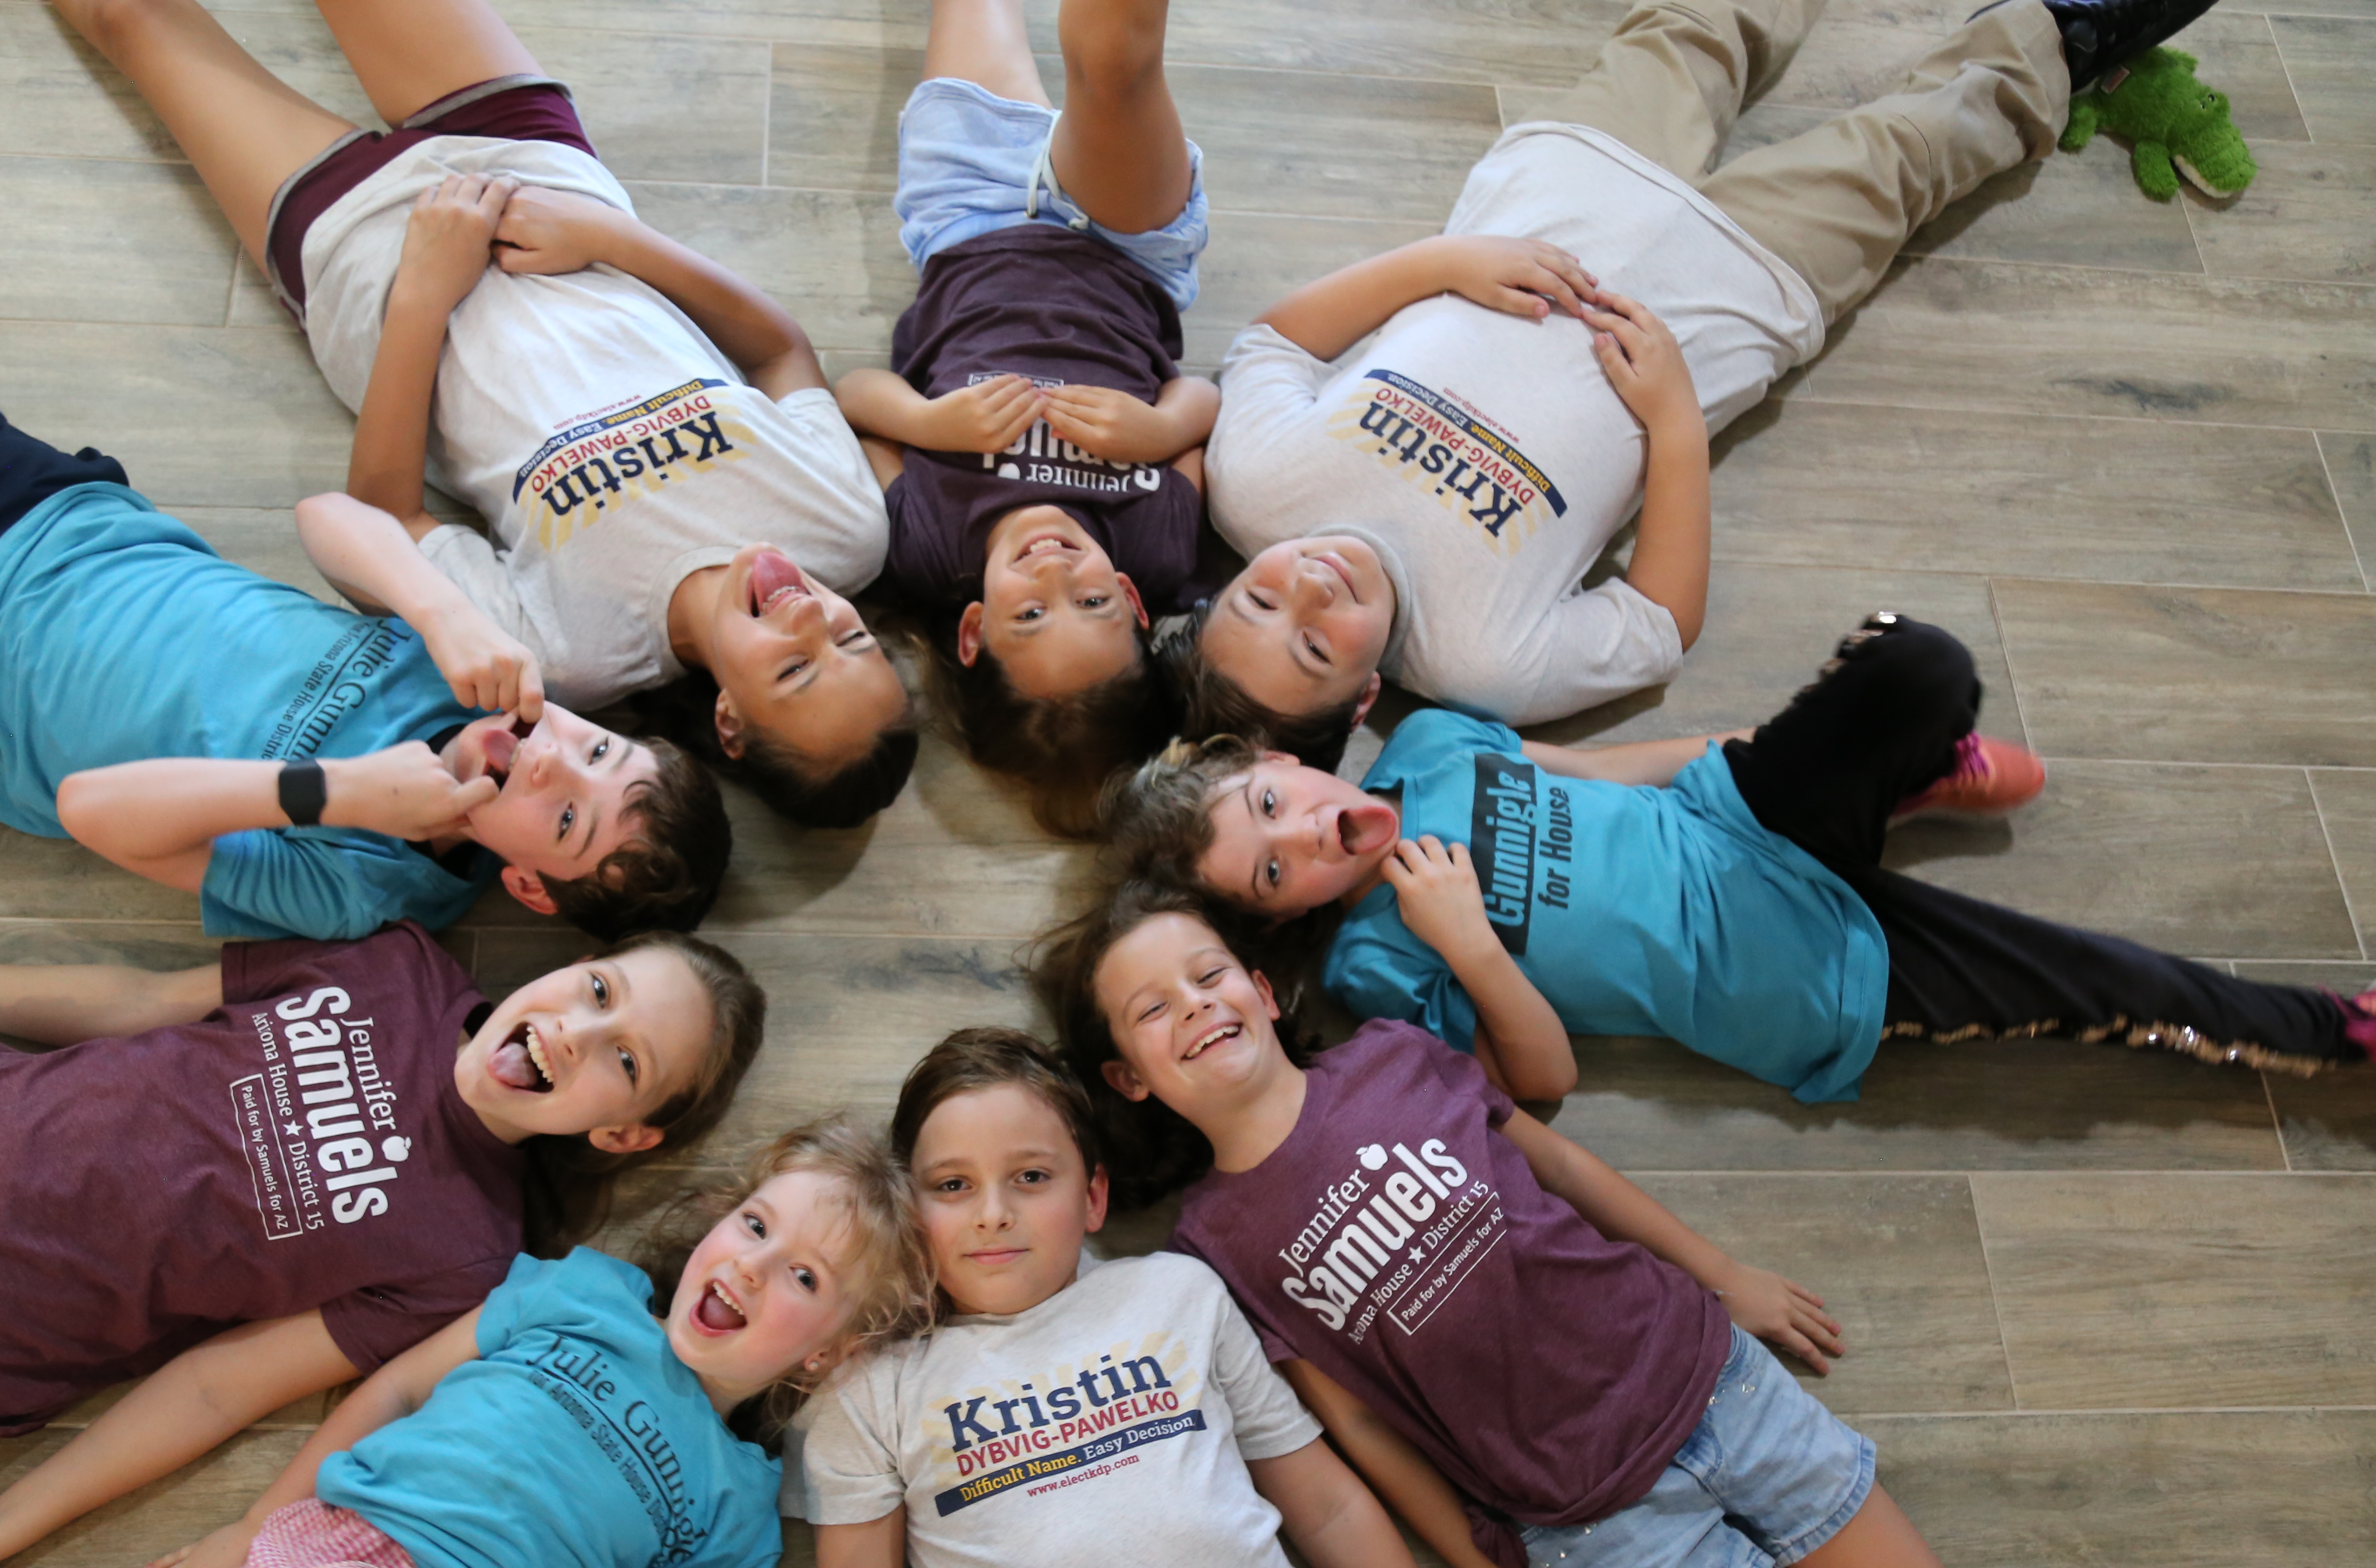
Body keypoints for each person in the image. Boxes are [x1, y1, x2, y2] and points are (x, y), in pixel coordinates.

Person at [1044, 886, 2203, 1568]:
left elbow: (1562, 1165)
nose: (1193, 1006)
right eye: (1150, 1010)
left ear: (1261, 985)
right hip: (1596, 1531)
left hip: (1715, 1389)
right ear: (1130, 1078)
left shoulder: (1394, 1058)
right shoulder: (1214, 1244)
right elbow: (1361, 1434)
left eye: (1206, 974)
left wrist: (1721, 1270)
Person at [0, 918, 764, 1568]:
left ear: (623, 1136)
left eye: (626, 1060)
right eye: (602, 989)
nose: (576, 1031)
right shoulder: (398, 966)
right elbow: (136, 1003)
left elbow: (221, 1387)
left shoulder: (470, 1256)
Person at [1189, 0, 2225, 760]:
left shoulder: (1254, 488)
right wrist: (1675, 423)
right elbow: (1656, 628)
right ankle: (2066, 31)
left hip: (1564, 193)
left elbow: (1275, 343)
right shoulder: (1481, 667)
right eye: (1317, 647)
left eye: (1261, 599)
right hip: (1737, 294)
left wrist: (1442, 264)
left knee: (1693, 28)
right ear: (1368, 694)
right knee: (1919, 148)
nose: (1309, 591)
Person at [0, 253, 729, 939]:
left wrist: (336, 792)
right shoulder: (481, 657)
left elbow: (92, 813)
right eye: (595, 751)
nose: (549, 762)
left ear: (532, 887)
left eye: (568, 818)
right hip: (47, 515)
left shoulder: (367, 891)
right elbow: (326, 518)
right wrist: (446, 611)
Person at [53, 0, 923, 828]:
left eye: (798, 671)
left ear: (730, 721)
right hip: (535, 171)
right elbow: (782, 355)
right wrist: (608, 237)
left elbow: (386, 518)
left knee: (132, 20)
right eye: (856, 647)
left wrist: (423, 293)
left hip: (363, 257)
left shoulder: (573, 657)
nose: (817, 621)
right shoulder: (848, 535)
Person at [66, 1120, 934, 1568]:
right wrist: (253, 1524)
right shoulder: (581, 1294)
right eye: (756, 1224)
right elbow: (402, 1384)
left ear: (830, 1353)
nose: (752, 1263)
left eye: (804, 1276)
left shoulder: (740, 1511)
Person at [1108, 614, 2376, 1099]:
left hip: (1741, 820)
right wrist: (1470, 946)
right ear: (1282, 919)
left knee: (1919, 661)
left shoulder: (1434, 745)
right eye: (1273, 871)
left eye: (1273, 800)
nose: (1299, 836)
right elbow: (1540, 1085)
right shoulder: (1381, 964)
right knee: (2105, 984)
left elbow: (1608, 772)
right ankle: (2335, 1030)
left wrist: (1780, 753)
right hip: (1793, 968)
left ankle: (1902, 783)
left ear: (1295, 759)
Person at [799, 1027, 1539, 1568]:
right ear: (908, 1210)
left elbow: (1331, 1510)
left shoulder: (1179, 1296)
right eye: (951, 1186)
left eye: (1032, 1176)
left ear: (1093, 1197)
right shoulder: (875, 1394)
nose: (993, 1214)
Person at [833, 0, 1215, 829]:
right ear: (1134, 602)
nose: (1057, 574)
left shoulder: (930, 552)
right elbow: (1205, 402)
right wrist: (1158, 431)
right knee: (1115, 56)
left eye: (1031, 614)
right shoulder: (1155, 547)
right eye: (1094, 604)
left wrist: (929, 426)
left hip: (963, 214)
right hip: (1122, 244)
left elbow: (855, 399)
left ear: (972, 632)